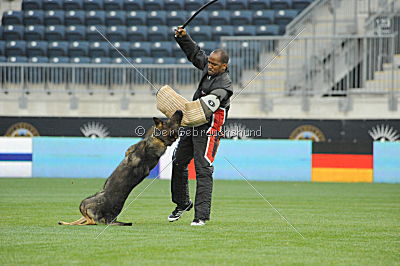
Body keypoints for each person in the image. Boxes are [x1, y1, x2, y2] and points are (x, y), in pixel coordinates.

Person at [167, 26, 233, 226]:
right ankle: (182, 203)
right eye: (210, 63)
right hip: (194, 124)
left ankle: (201, 216)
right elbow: (195, 53)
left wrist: (189, 108)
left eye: (214, 64)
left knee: (203, 169)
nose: (209, 66)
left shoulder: (225, 85)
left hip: (209, 130)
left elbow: (214, 102)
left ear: (224, 66)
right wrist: (183, 38)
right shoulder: (209, 66)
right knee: (178, 161)